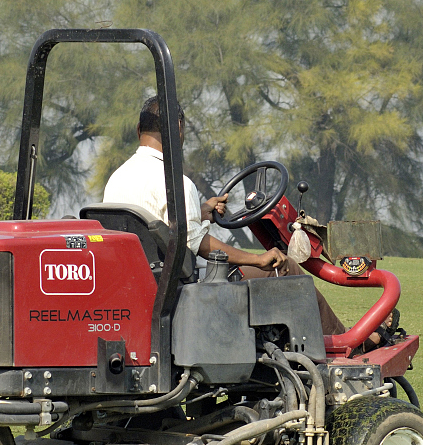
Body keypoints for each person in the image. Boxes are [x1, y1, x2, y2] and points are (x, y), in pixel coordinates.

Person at [103, 96, 347, 335]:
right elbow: (197, 244)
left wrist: (198, 214)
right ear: (178, 131)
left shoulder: (116, 179)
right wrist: (257, 259)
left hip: (139, 283)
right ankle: (344, 342)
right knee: (287, 267)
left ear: (138, 130)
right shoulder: (175, 182)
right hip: (181, 286)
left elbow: (150, 227)